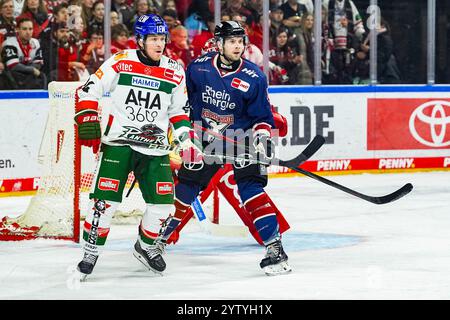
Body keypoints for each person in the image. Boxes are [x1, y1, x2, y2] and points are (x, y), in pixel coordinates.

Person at [158, 21, 292, 276]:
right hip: (205, 140)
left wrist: (262, 139)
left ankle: (275, 248)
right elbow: (184, 103)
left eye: (241, 41)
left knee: (250, 188)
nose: (238, 46)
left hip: (241, 139)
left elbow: (263, 117)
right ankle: (158, 239)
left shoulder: (254, 77)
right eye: (232, 41)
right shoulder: (198, 68)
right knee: (186, 186)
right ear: (218, 44)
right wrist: (184, 134)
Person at [74, 13, 199, 280]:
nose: (159, 44)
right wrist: (87, 116)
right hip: (118, 145)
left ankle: (145, 246)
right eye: (153, 39)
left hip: (155, 151)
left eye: (162, 39)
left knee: (164, 206)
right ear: (140, 40)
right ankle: (91, 251)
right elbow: (88, 89)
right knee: (103, 203)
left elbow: (179, 113)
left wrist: (187, 142)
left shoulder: (174, 70)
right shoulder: (121, 62)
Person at [1, 17, 45, 88]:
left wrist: (29, 70)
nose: (28, 32)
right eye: (24, 29)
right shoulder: (9, 43)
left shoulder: (36, 42)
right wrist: (32, 70)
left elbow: (38, 64)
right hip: (11, 79)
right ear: (17, 29)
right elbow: (14, 66)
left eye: (30, 29)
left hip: (29, 78)